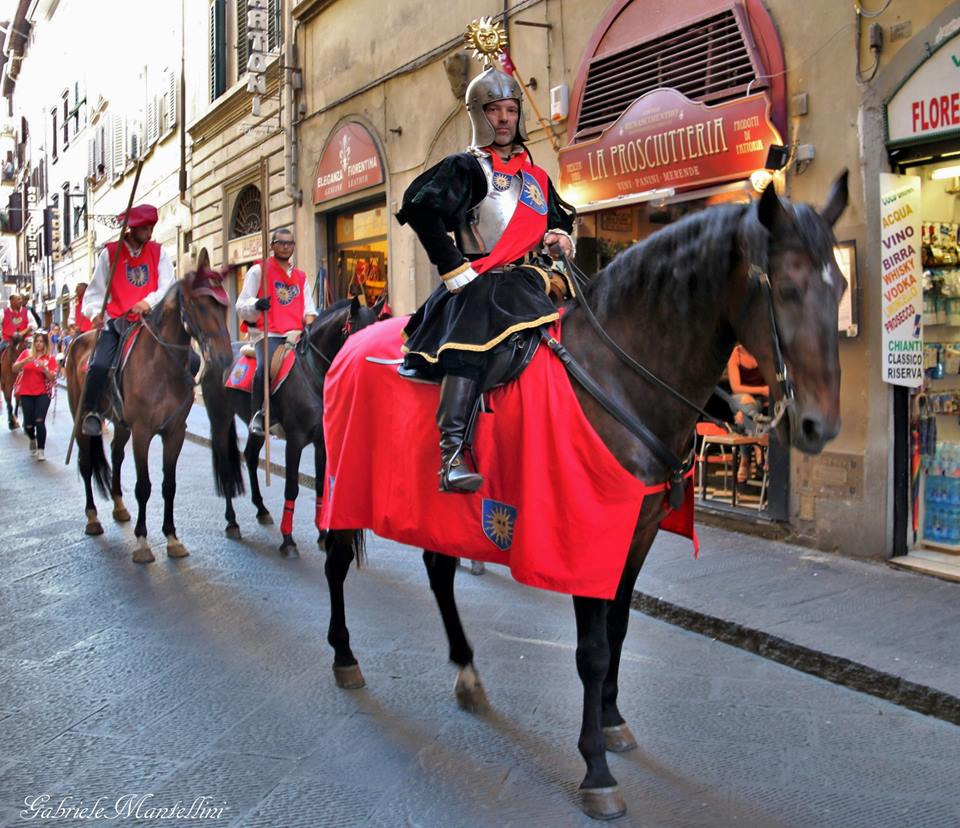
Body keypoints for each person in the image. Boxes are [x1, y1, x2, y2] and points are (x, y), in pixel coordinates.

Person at [397, 62, 575, 493]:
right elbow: (419, 208)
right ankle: (452, 452)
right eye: (495, 110)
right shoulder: (467, 167)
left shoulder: (536, 178)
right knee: (469, 344)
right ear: (479, 114)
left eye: (511, 111)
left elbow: (560, 222)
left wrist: (561, 239)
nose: (504, 119)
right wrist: (453, 267)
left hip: (533, 278)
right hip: (482, 279)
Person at [79, 204, 175, 437]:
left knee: (189, 360)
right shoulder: (109, 254)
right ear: (132, 228)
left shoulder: (159, 252)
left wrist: (148, 303)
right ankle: (92, 412)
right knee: (99, 365)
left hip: (152, 323)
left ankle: (176, 405)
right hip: (118, 322)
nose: (150, 233)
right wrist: (95, 314)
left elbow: (167, 286)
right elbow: (93, 294)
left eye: (152, 227)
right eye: (145, 228)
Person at [235, 227, 317, 436]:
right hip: (269, 333)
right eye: (281, 243)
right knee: (264, 367)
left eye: (289, 243)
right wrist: (256, 305)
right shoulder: (258, 271)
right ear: (272, 245)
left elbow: (309, 307)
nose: (285, 247)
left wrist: (310, 322)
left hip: (296, 333)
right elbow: (241, 304)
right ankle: (258, 414)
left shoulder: (300, 276)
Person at [727, 344, 769, 483]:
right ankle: (757, 443)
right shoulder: (736, 354)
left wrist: (764, 394)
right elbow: (736, 387)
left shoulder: (763, 352)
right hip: (740, 397)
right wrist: (761, 390)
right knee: (745, 403)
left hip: (760, 400)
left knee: (741, 417)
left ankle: (744, 461)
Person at [13, 329, 57, 460]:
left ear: (45, 344)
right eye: (36, 341)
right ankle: (32, 438)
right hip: (26, 392)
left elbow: (52, 378)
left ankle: (41, 450)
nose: (38, 344)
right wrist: (24, 361)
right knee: (28, 424)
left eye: (41, 342)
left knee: (39, 420)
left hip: (43, 393)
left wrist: (44, 369)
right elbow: (14, 368)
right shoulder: (26, 354)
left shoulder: (50, 358)